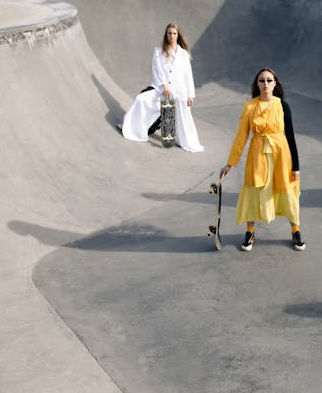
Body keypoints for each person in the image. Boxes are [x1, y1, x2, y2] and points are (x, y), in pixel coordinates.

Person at [219, 68, 304, 251]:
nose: (265, 84)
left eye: (269, 80)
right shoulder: (250, 106)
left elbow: (290, 137)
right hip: (257, 156)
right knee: (253, 191)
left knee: (287, 192)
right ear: (257, 84)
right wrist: (230, 163)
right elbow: (241, 136)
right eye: (262, 80)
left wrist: (295, 166)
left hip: (281, 155)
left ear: (275, 84)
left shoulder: (283, 106)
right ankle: (250, 231)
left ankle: (295, 230)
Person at [120, 23, 204, 152]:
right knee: (141, 99)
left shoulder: (183, 54)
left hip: (180, 91)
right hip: (163, 90)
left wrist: (190, 95)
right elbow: (156, 69)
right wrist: (164, 85)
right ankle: (132, 127)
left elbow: (188, 75)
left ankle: (185, 141)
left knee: (184, 120)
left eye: (174, 33)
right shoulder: (159, 50)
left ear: (178, 35)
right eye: (169, 33)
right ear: (166, 34)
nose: (171, 36)